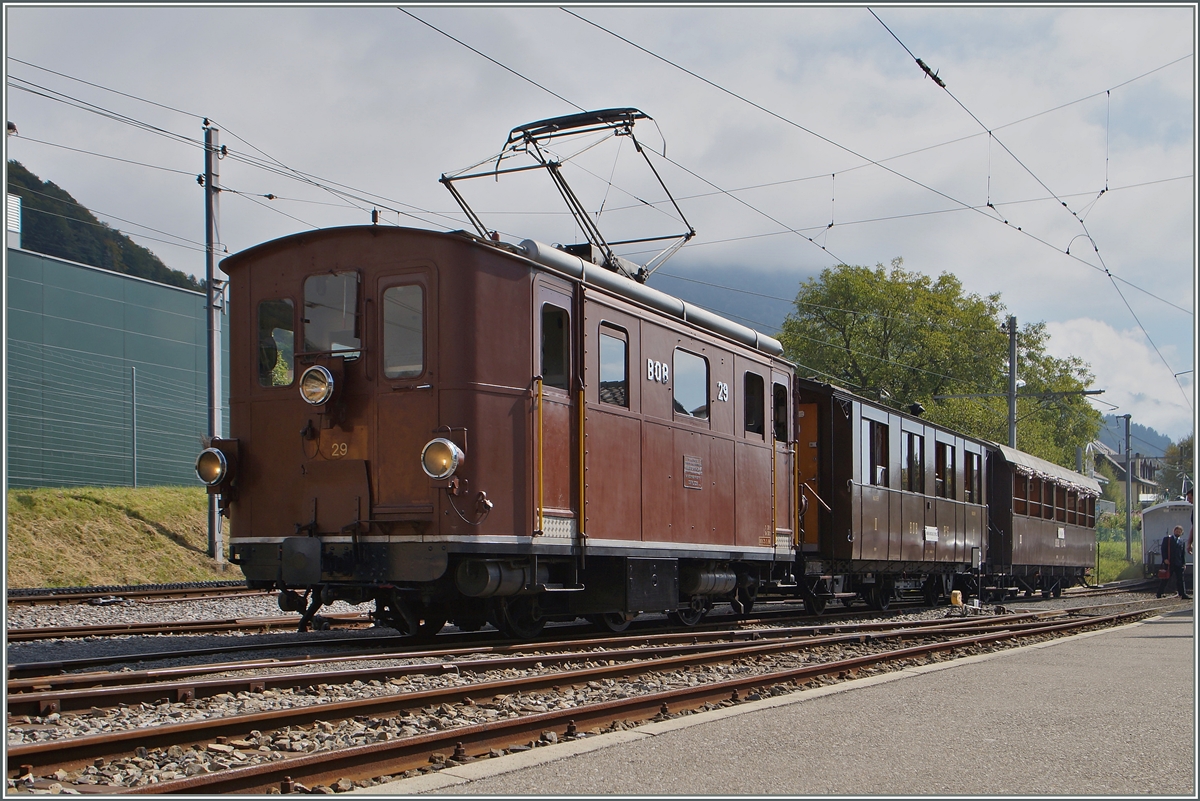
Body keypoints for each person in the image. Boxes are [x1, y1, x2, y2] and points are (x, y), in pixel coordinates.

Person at [1157, 525, 1190, 599]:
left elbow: (1182, 554)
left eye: (1179, 531)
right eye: (1177, 531)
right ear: (1174, 531)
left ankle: (1182, 594)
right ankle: (1159, 593)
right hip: (1169, 562)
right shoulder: (1167, 539)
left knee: (1180, 579)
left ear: (1181, 533)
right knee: (1166, 578)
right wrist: (1165, 559)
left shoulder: (1181, 541)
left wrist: (1183, 563)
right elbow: (1163, 549)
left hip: (1178, 563)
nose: (1178, 532)